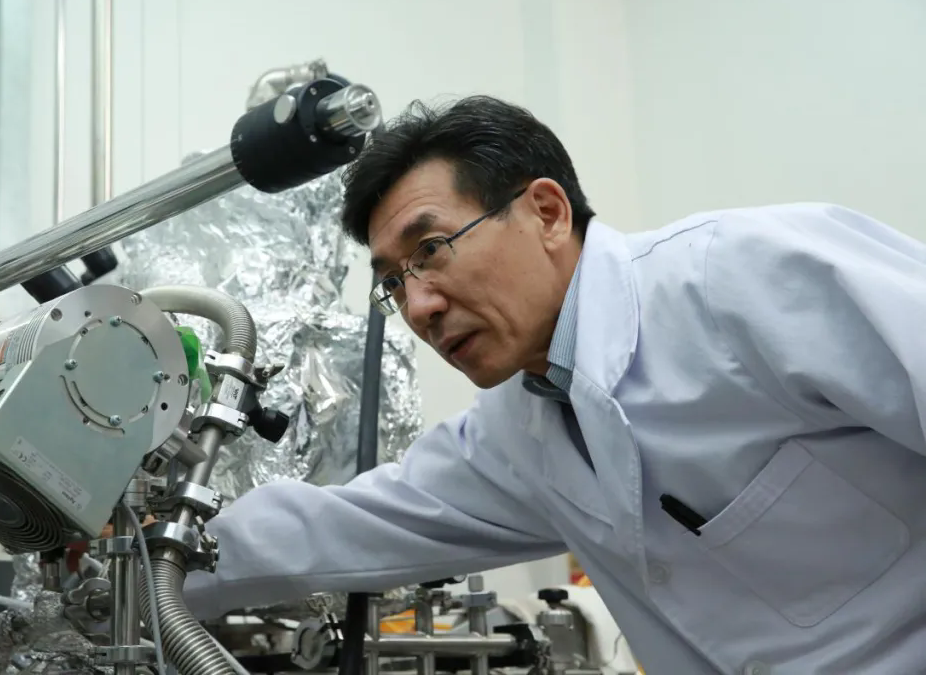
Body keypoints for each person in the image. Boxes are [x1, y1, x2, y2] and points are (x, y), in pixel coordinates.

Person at [183, 96, 926, 674]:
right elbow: (335, 529)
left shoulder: (743, 277)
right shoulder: (519, 427)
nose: (419, 306)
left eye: (431, 249)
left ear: (546, 211)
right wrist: (150, 549)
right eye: (394, 283)